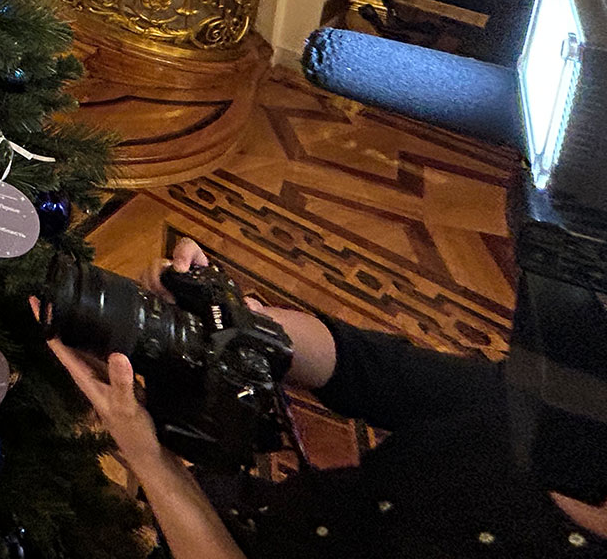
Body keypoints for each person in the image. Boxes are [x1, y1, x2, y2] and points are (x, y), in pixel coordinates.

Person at [43, 237, 607, 559]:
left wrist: (152, 463)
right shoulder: (557, 397)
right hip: (289, 519)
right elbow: (365, 367)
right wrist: (242, 322)